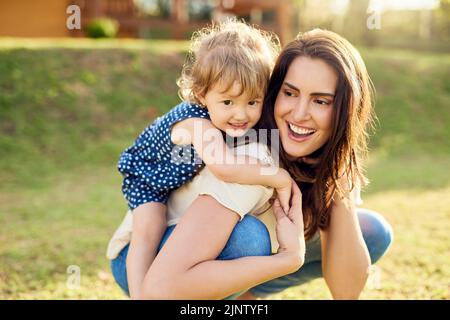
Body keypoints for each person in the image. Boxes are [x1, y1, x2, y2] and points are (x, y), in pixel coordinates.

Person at [108, 28, 393, 300]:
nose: (300, 113)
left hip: (194, 258)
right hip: (150, 262)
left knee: (371, 231)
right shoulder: (255, 156)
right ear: (274, 92)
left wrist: (335, 185)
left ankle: (241, 296)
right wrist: (286, 261)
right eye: (290, 93)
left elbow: (346, 294)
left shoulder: (324, 157)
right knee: (249, 239)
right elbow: (159, 288)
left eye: (321, 101)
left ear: (345, 111)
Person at [114, 19, 293, 299]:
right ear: (202, 94)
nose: (241, 114)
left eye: (252, 102)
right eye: (228, 102)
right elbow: (223, 167)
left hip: (168, 177)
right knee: (149, 227)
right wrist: (277, 177)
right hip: (147, 177)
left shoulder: (224, 120)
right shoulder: (198, 124)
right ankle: (141, 295)